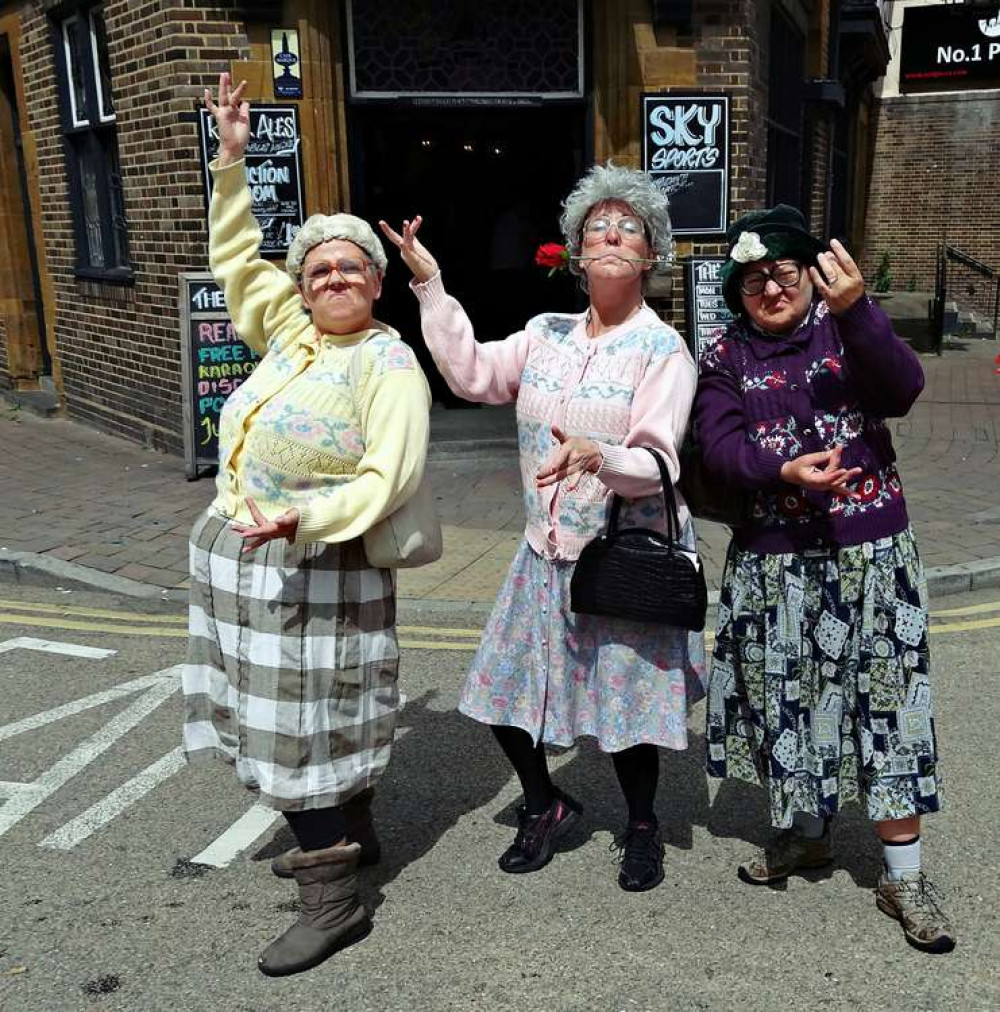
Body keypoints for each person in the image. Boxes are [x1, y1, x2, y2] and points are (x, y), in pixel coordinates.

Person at [379, 164, 705, 892]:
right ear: (576, 252)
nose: (612, 235)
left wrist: (601, 453)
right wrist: (431, 284)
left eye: (630, 228)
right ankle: (546, 801)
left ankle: (643, 826)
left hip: (620, 555)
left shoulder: (662, 350)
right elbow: (470, 376)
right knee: (502, 696)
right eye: (598, 226)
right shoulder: (543, 334)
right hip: (542, 554)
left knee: (627, 715)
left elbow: (660, 457)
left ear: (650, 255)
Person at [182, 74, 431, 977]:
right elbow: (235, 259)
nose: (333, 278)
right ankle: (353, 825)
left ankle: (332, 901)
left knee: (301, 727)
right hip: (241, 559)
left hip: (318, 560)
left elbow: (391, 473)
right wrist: (233, 161)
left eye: (351, 267)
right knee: (294, 716)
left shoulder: (385, 361)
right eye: (319, 267)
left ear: (376, 283)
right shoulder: (290, 332)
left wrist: (308, 517)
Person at [695, 206, 954, 953]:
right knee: (789, 703)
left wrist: (861, 310)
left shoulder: (847, 327)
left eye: (782, 273)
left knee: (887, 706)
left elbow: (901, 389)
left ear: (812, 274)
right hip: (774, 559)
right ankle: (806, 838)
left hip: (870, 554)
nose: (769, 289)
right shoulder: (724, 354)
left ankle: (903, 877)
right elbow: (718, 447)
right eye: (752, 281)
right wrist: (780, 469)